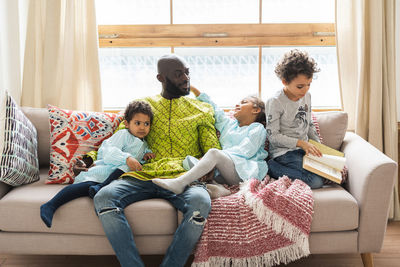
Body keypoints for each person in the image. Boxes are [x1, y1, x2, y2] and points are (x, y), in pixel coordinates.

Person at [90, 54, 221, 267]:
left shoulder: (202, 110)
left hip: (183, 176)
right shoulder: (143, 108)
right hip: (144, 173)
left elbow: (213, 149)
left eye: (187, 72)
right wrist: (99, 158)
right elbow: (114, 143)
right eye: (178, 74)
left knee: (201, 202)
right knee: (104, 197)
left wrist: (209, 168)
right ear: (161, 78)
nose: (186, 78)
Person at [40, 100, 155, 228]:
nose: (142, 127)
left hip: (118, 180)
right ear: (127, 124)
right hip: (107, 170)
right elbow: (109, 151)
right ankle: (51, 204)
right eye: (137, 123)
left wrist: (146, 156)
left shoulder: (145, 144)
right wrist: (127, 158)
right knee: (83, 187)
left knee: (92, 187)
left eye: (146, 124)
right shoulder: (123, 135)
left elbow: (139, 160)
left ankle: (99, 188)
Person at [152, 85, 268, 194]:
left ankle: (179, 183)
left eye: (244, 102)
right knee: (188, 161)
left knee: (213, 153)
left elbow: (246, 151)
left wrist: (214, 160)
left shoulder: (257, 129)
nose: (237, 105)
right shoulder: (229, 125)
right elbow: (215, 110)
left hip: (244, 171)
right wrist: (193, 89)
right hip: (224, 171)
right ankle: (217, 187)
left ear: (256, 110)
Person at [265, 49, 324, 189]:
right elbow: (273, 136)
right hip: (283, 153)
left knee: (330, 174)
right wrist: (301, 143)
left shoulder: (307, 96)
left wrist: (319, 146)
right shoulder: (275, 102)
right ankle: (270, 167)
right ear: (285, 81)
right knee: (316, 181)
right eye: (300, 86)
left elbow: (308, 123)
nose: (305, 90)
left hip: (303, 150)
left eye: (309, 84)